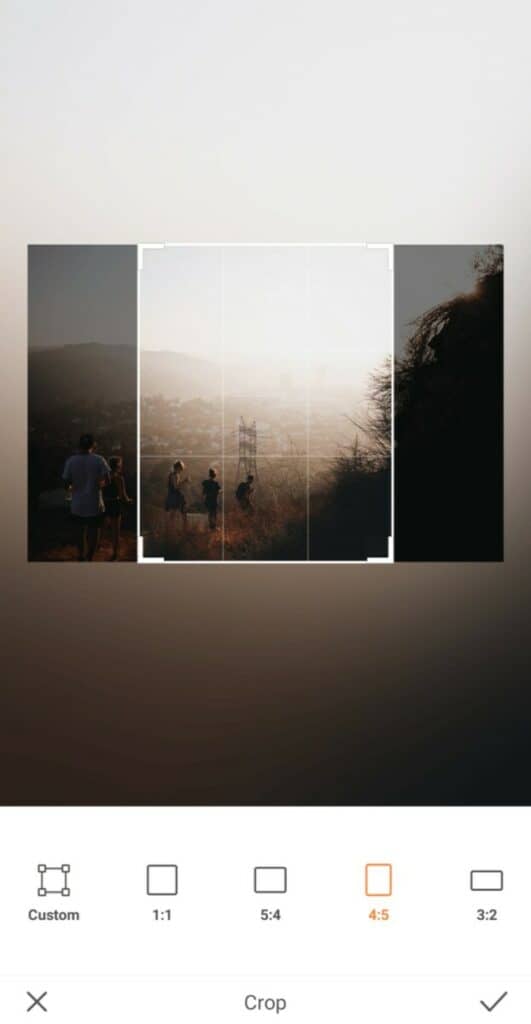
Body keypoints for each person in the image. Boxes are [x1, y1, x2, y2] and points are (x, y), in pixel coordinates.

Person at [62, 433, 110, 561]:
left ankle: (80, 555)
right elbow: (107, 480)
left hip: (77, 503)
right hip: (94, 503)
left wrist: (73, 488)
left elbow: (66, 483)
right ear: (93, 445)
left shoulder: (71, 460)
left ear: (79, 445)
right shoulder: (99, 459)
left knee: (79, 531)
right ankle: (90, 557)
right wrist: (98, 485)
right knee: (93, 531)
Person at [103, 455, 133, 560]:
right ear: (118, 466)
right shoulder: (119, 479)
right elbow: (122, 496)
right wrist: (129, 500)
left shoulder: (103, 477)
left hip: (103, 504)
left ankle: (96, 547)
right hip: (114, 505)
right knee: (116, 531)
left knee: (102, 528)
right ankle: (115, 553)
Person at [165, 460, 189, 534]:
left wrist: (183, 482)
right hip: (174, 496)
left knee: (181, 513)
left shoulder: (176, 474)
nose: (181, 470)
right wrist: (184, 481)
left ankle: (183, 530)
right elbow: (176, 487)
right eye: (181, 468)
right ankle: (171, 531)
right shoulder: (173, 475)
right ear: (177, 467)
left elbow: (177, 486)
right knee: (174, 513)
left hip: (176, 495)